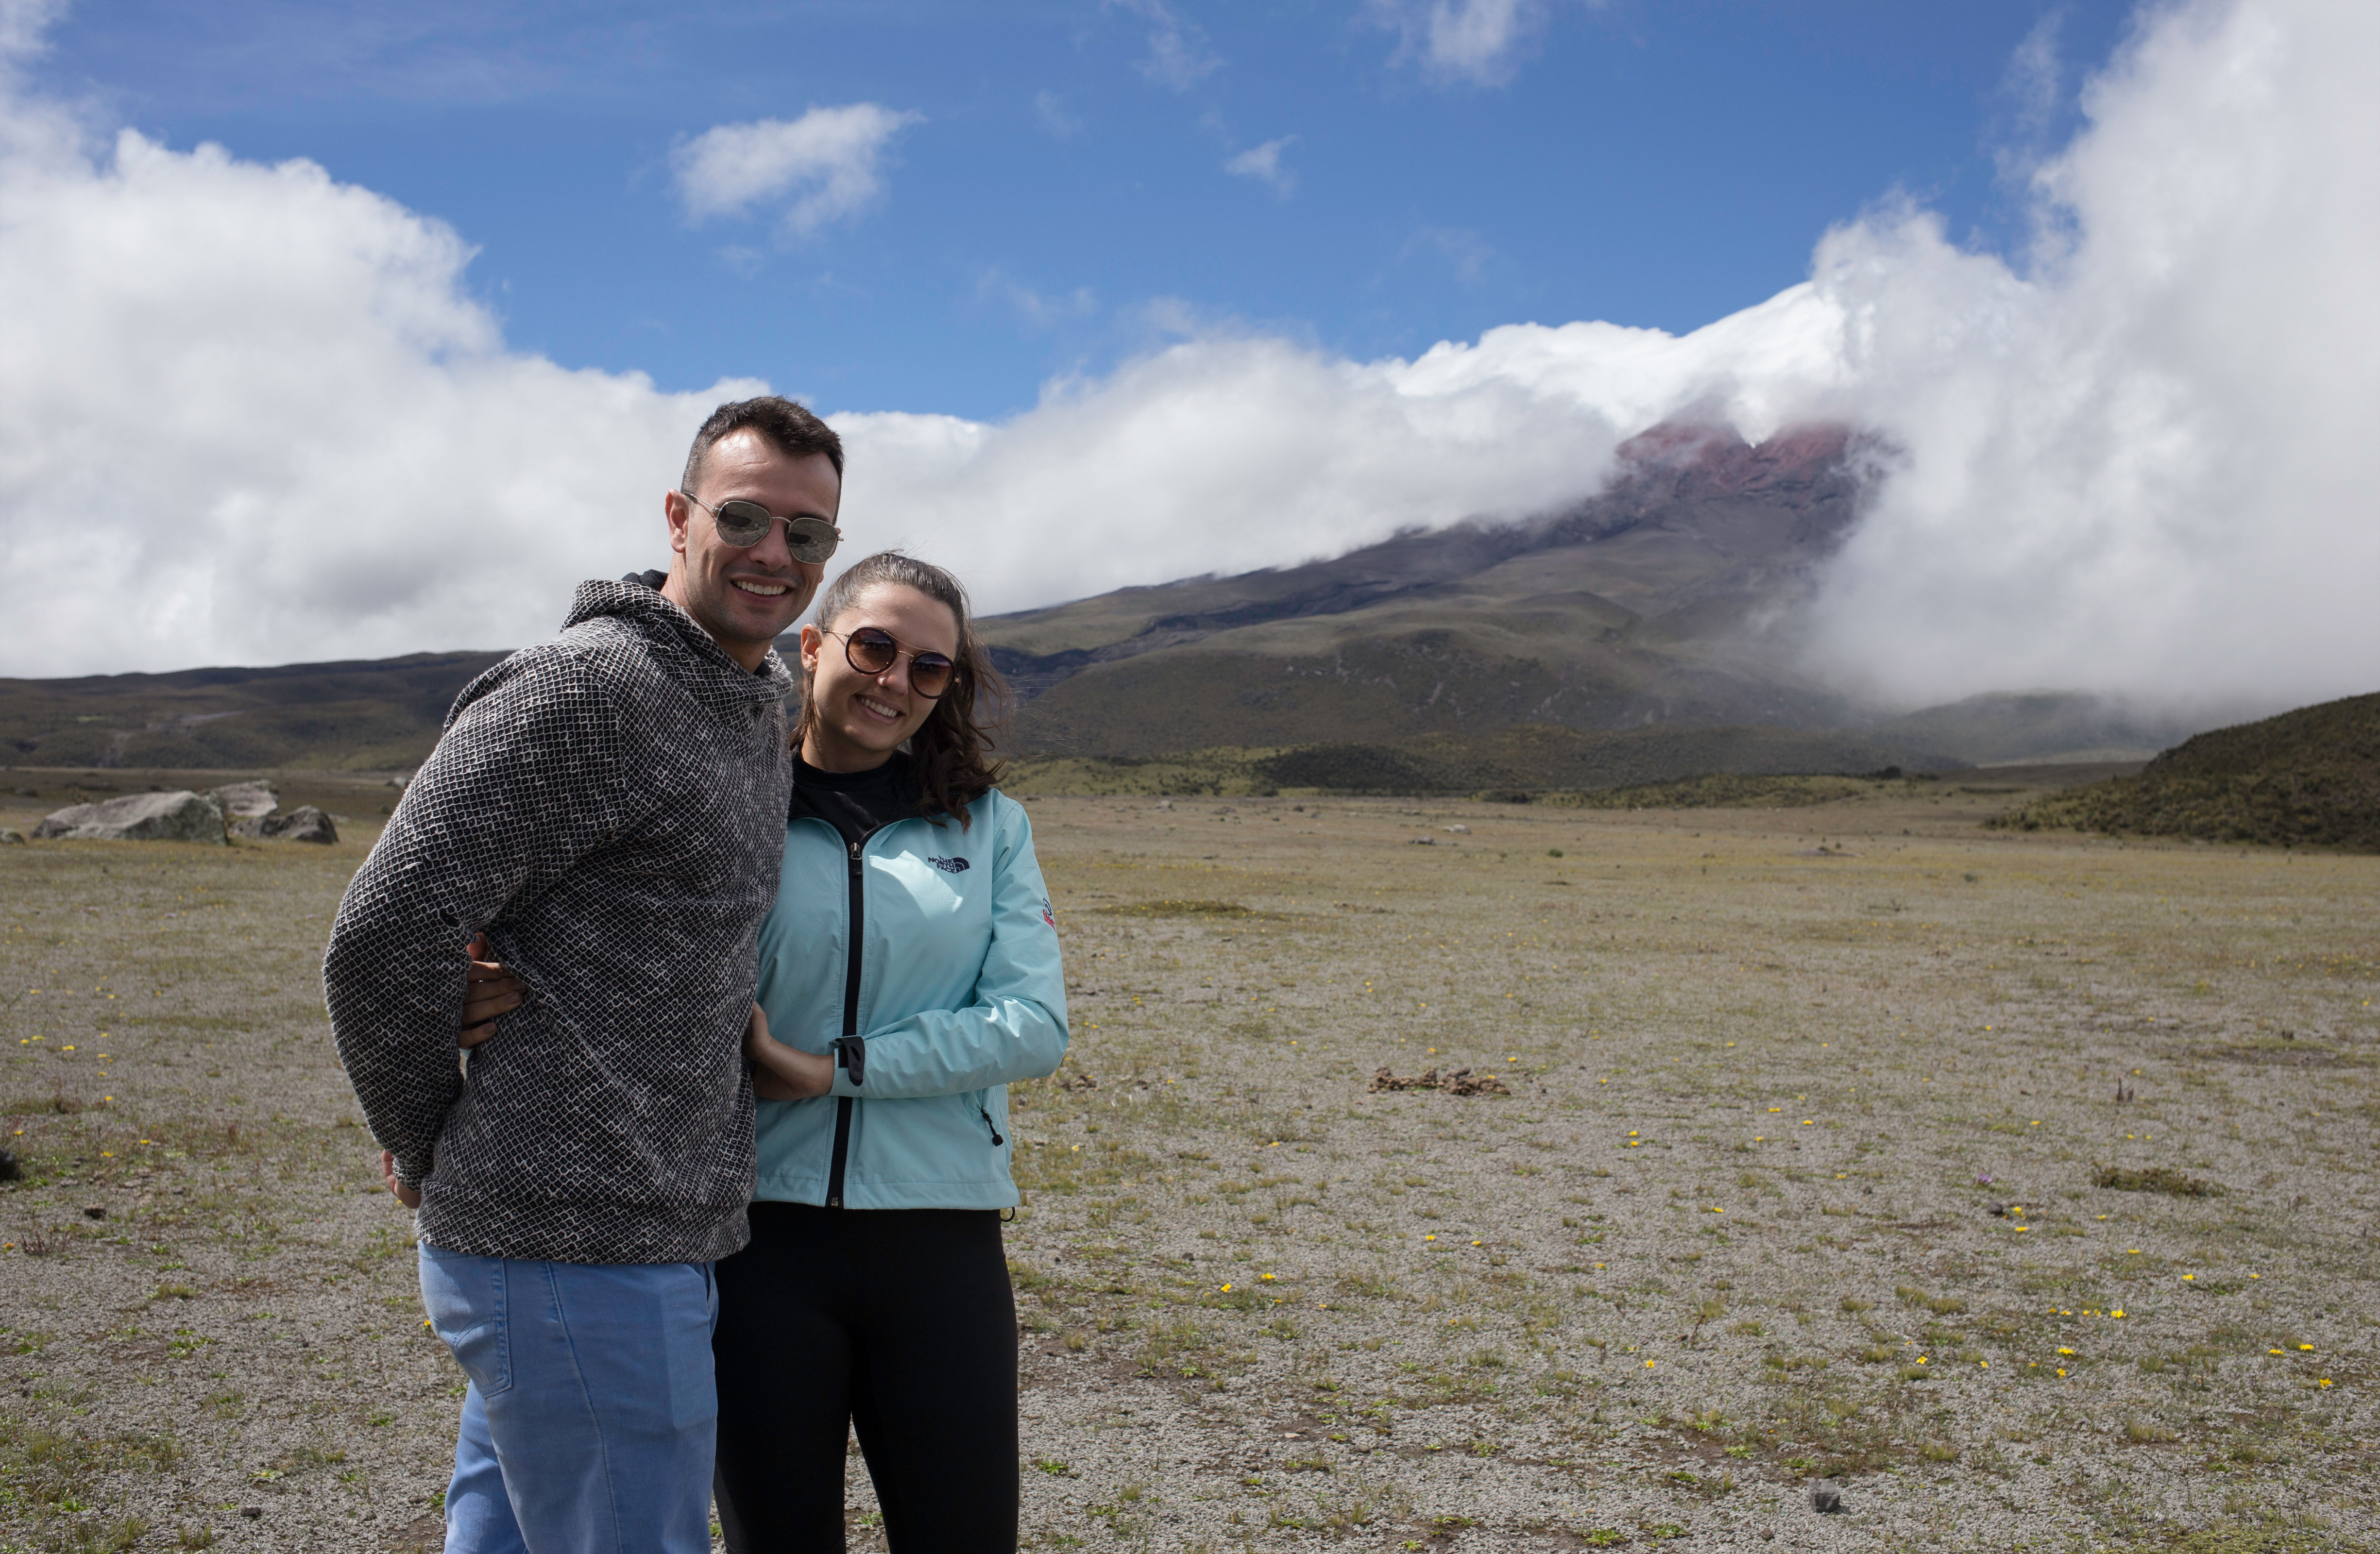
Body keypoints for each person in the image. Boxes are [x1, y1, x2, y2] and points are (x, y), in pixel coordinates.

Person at [323, 395, 844, 1554]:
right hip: (568, 1231)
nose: (774, 554)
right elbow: (387, 927)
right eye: (746, 517)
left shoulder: (754, 693)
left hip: (634, 1224)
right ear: (678, 515)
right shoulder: (588, 692)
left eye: (807, 535)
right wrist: (425, 1136)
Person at [717, 551, 1069, 1552]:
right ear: (815, 644)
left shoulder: (989, 825)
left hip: (939, 1246)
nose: (896, 681)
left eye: (930, 669)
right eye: (875, 646)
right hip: (757, 1239)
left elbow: (1031, 1027)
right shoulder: (734, 805)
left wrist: (833, 1069)